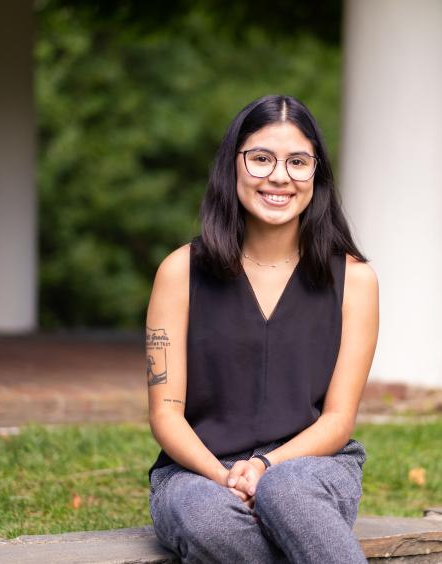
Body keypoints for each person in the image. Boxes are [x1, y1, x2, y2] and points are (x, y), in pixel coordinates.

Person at [146, 94, 379, 563]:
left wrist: (267, 467)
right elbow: (165, 414)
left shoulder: (355, 280)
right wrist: (226, 478)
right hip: (198, 473)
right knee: (209, 518)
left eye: (298, 162)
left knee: (286, 489)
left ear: (318, 173)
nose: (279, 176)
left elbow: (337, 421)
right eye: (261, 159)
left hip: (314, 467)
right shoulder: (179, 272)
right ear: (233, 166)